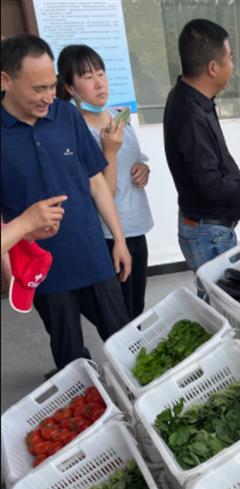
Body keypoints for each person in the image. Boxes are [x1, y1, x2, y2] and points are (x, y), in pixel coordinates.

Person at [1, 34, 131, 374]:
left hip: (90, 252)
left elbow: (95, 181)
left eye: (51, 86)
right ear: (5, 80)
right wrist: (11, 272)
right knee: (70, 357)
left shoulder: (66, 116)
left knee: (125, 341)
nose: (48, 97)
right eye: (37, 89)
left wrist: (117, 239)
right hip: (42, 268)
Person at [164, 19, 240, 293]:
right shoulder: (190, 115)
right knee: (222, 305)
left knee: (218, 299)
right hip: (208, 232)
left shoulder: (191, 99)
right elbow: (212, 187)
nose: (233, 65)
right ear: (213, 67)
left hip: (206, 226)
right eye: (230, 58)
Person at [57, 44, 153, 320]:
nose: (99, 82)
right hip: (108, 235)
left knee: (137, 307)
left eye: (101, 73)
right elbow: (103, 193)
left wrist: (143, 169)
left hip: (136, 225)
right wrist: (108, 151)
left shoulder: (119, 115)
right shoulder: (76, 131)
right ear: (71, 88)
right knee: (120, 314)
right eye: (87, 77)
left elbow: (135, 159)